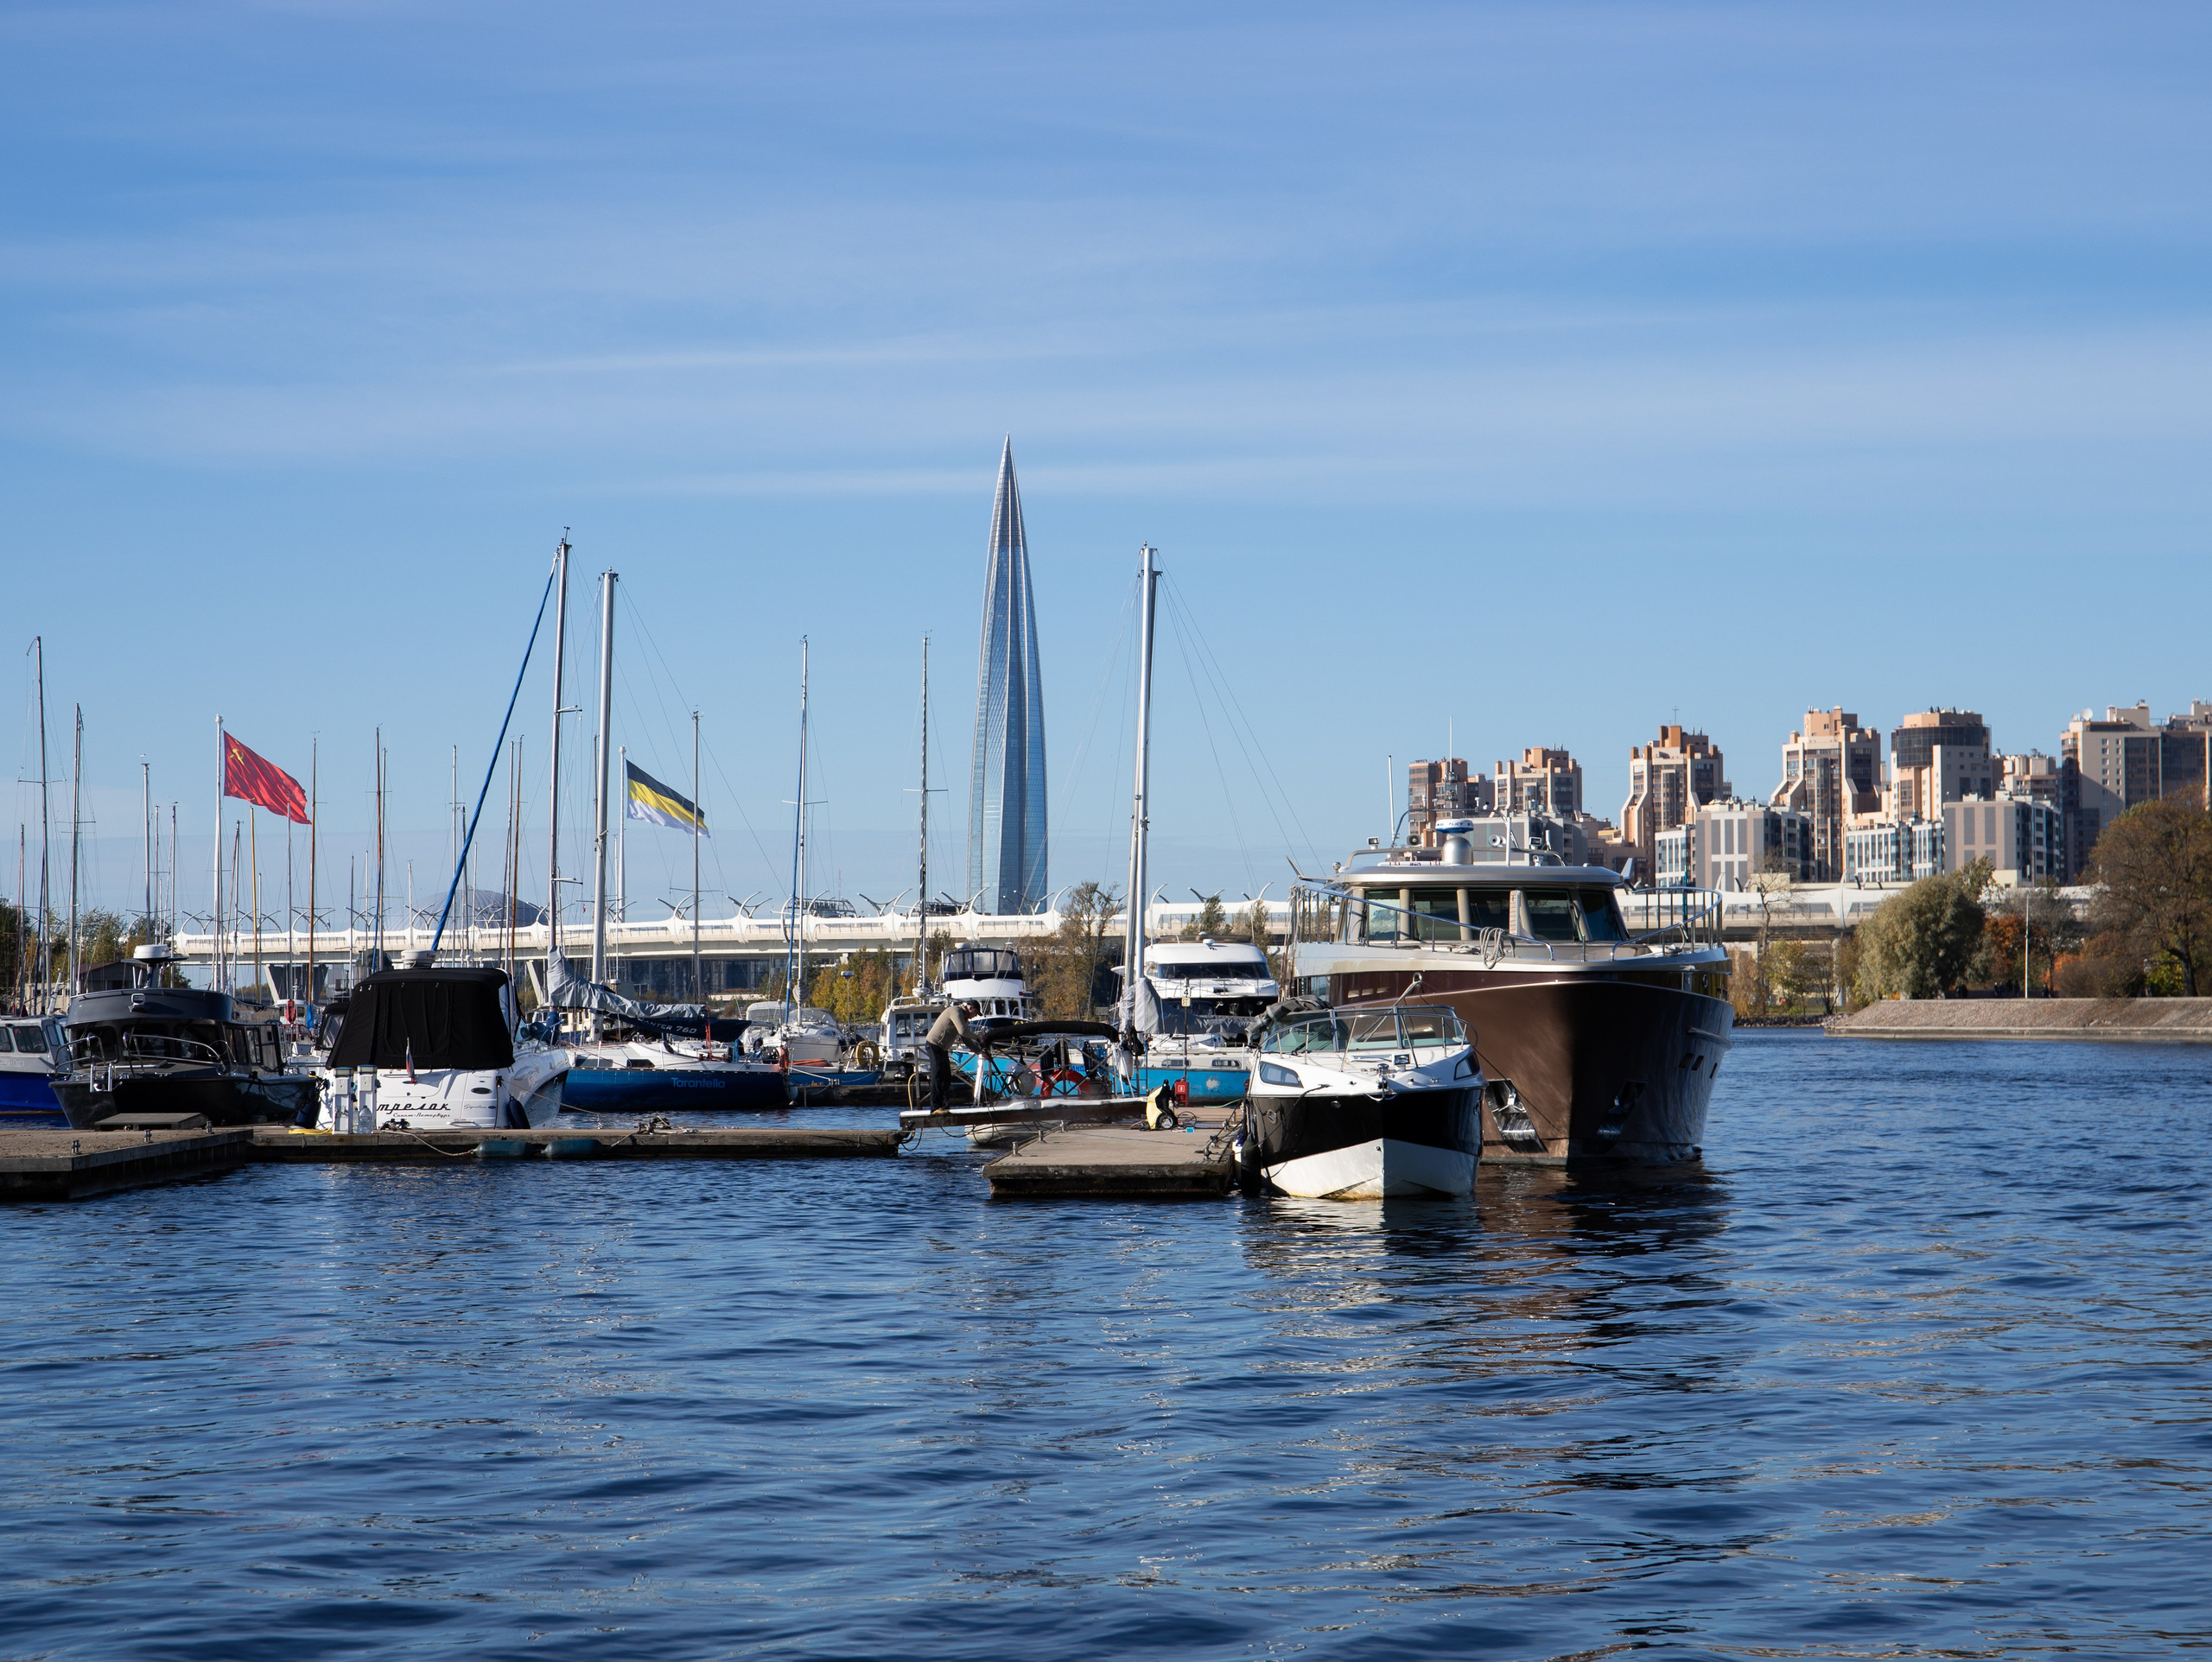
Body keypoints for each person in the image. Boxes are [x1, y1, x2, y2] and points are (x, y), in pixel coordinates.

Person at [924, 1000, 979, 1110]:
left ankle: (944, 1106)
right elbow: (962, 1031)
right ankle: (935, 1107)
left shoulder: (965, 1018)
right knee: (938, 1075)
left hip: (942, 1048)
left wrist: (979, 1052)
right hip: (934, 1044)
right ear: (971, 1008)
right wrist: (978, 1038)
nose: (975, 1016)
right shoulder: (956, 1011)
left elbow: (966, 1039)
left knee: (947, 1077)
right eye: (976, 1013)